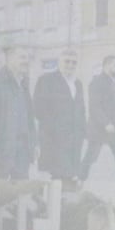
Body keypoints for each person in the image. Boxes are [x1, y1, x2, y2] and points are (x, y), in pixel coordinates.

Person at [0, 44, 36, 180]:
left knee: (21, 191)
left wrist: (35, 143)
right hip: (2, 150)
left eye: (28, 58)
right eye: (22, 57)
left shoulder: (24, 83)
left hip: (22, 151)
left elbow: (29, 118)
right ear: (9, 59)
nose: (26, 61)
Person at [33, 50, 87, 181]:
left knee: (70, 178)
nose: (70, 65)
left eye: (74, 62)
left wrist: (82, 131)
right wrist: (56, 129)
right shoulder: (46, 80)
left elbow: (81, 110)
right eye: (67, 61)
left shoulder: (77, 83)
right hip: (54, 140)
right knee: (55, 180)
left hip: (74, 142)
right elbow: (38, 109)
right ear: (59, 63)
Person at [85, 54, 115, 180]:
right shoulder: (96, 82)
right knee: (90, 158)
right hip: (99, 129)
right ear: (106, 65)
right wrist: (106, 123)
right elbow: (94, 107)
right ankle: (79, 182)